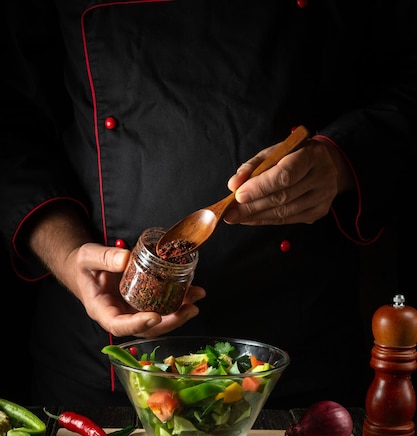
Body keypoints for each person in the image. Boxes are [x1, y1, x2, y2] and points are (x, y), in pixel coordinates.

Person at [1, 1, 416, 409]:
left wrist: (341, 160)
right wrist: (67, 253)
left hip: (298, 353)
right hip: (103, 365)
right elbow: (11, 121)